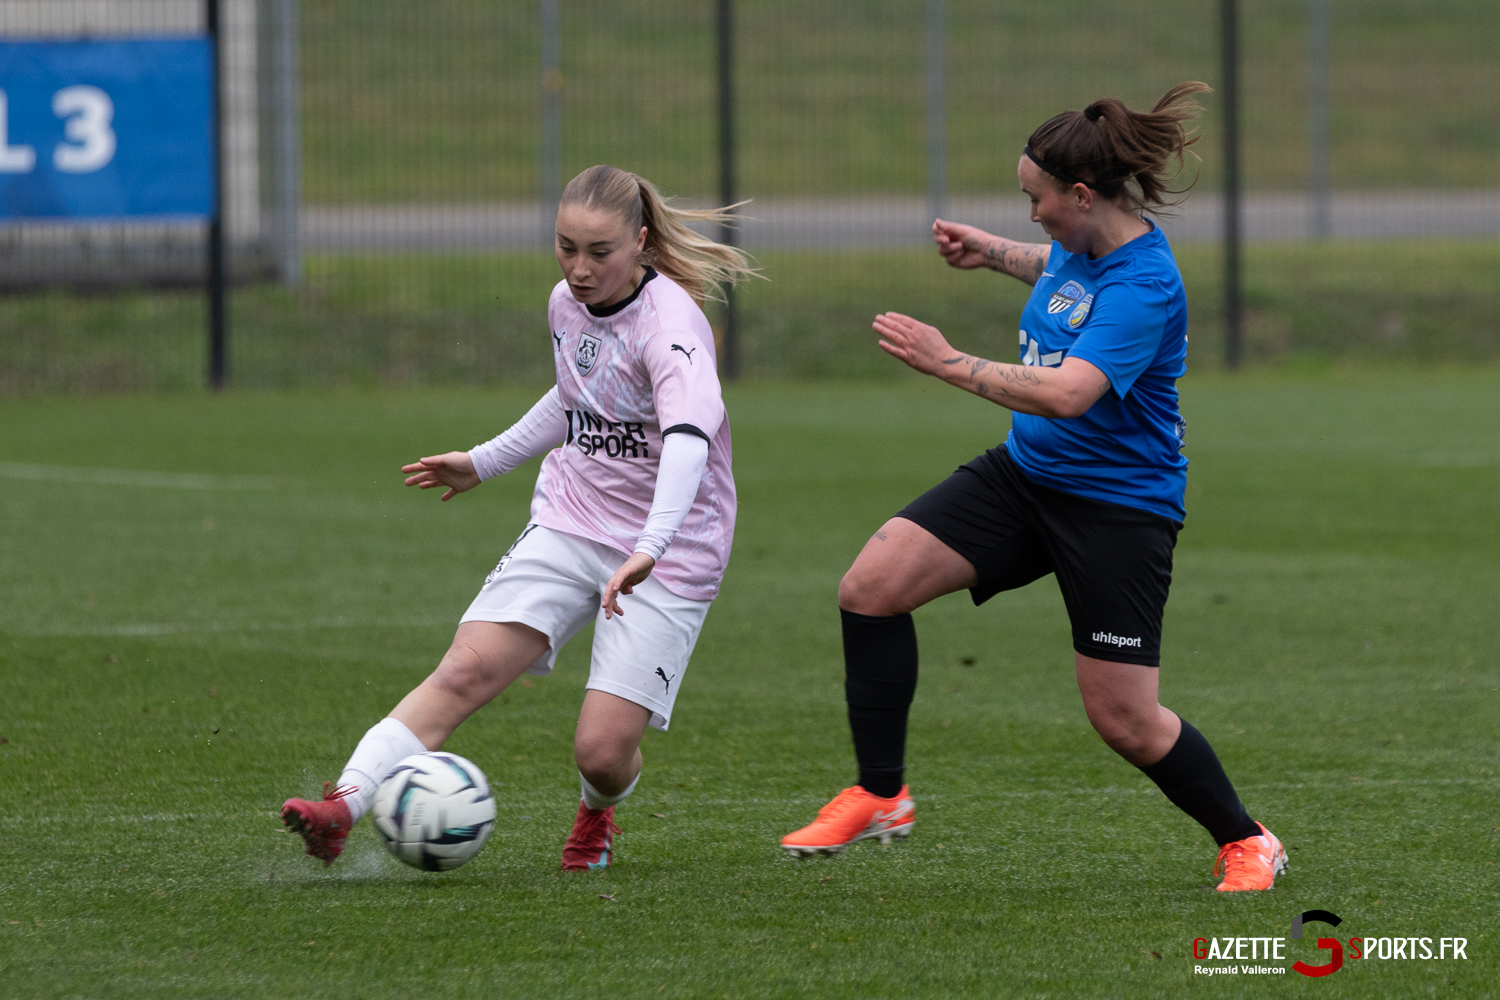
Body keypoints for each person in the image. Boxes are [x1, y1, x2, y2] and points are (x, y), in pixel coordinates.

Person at [780, 83, 1287, 892]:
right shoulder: (1080, 248)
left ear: (1082, 196)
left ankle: (1246, 838)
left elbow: (1067, 393)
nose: (1032, 215)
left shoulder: (1145, 285)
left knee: (1124, 720)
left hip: (1120, 509)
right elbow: (1051, 266)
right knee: (871, 587)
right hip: (1026, 477)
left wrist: (946, 360)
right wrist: (988, 252)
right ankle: (882, 794)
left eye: (1035, 199)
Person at [283, 164, 754, 871]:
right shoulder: (565, 305)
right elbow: (574, 398)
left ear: (642, 243)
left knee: (601, 752)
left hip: (671, 546)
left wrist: (651, 546)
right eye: (566, 248)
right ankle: (343, 807)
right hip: (573, 515)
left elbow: (687, 443)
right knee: (465, 667)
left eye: (599, 252)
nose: (579, 268)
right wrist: (484, 461)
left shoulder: (674, 328)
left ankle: (598, 812)